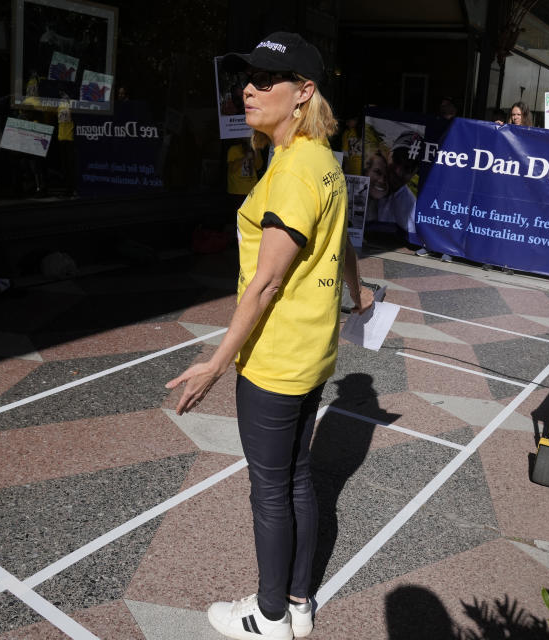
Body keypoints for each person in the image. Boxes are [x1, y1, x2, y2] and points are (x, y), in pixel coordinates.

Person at [165, 32, 374, 640]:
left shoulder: (293, 173)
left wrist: (213, 362)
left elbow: (264, 285)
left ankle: (270, 615)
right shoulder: (320, 161)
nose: (247, 90)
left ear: (303, 92)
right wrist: (357, 293)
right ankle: (299, 603)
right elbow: (342, 241)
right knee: (299, 479)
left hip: (277, 359)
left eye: (264, 80)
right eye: (245, 79)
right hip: (312, 354)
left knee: (270, 491)